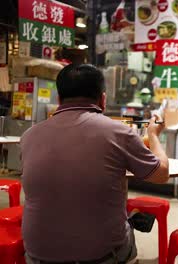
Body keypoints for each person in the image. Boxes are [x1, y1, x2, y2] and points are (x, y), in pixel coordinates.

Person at [20, 64, 169, 264]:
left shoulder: (29, 136)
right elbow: (161, 174)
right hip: (101, 258)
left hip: (36, 256)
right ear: (103, 99)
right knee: (129, 224)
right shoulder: (118, 132)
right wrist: (153, 135)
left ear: (59, 99)